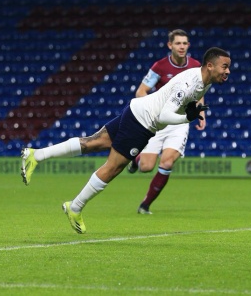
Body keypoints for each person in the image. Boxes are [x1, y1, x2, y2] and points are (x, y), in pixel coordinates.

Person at [20, 47, 231, 234]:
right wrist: (187, 117)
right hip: (142, 122)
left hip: (135, 110)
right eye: (224, 67)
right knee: (112, 168)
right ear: (210, 66)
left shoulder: (202, 80)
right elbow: (164, 116)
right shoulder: (191, 83)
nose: (227, 72)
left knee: (94, 142)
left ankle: (36, 155)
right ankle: (75, 207)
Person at [126, 29, 206, 215]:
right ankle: (135, 159)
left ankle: (145, 205)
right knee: (146, 167)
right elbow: (141, 91)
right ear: (170, 45)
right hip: (159, 121)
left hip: (179, 122)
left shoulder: (195, 67)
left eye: (185, 43)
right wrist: (152, 109)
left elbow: (200, 92)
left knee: (167, 162)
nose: (182, 46)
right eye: (178, 43)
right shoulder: (159, 67)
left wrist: (201, 113)